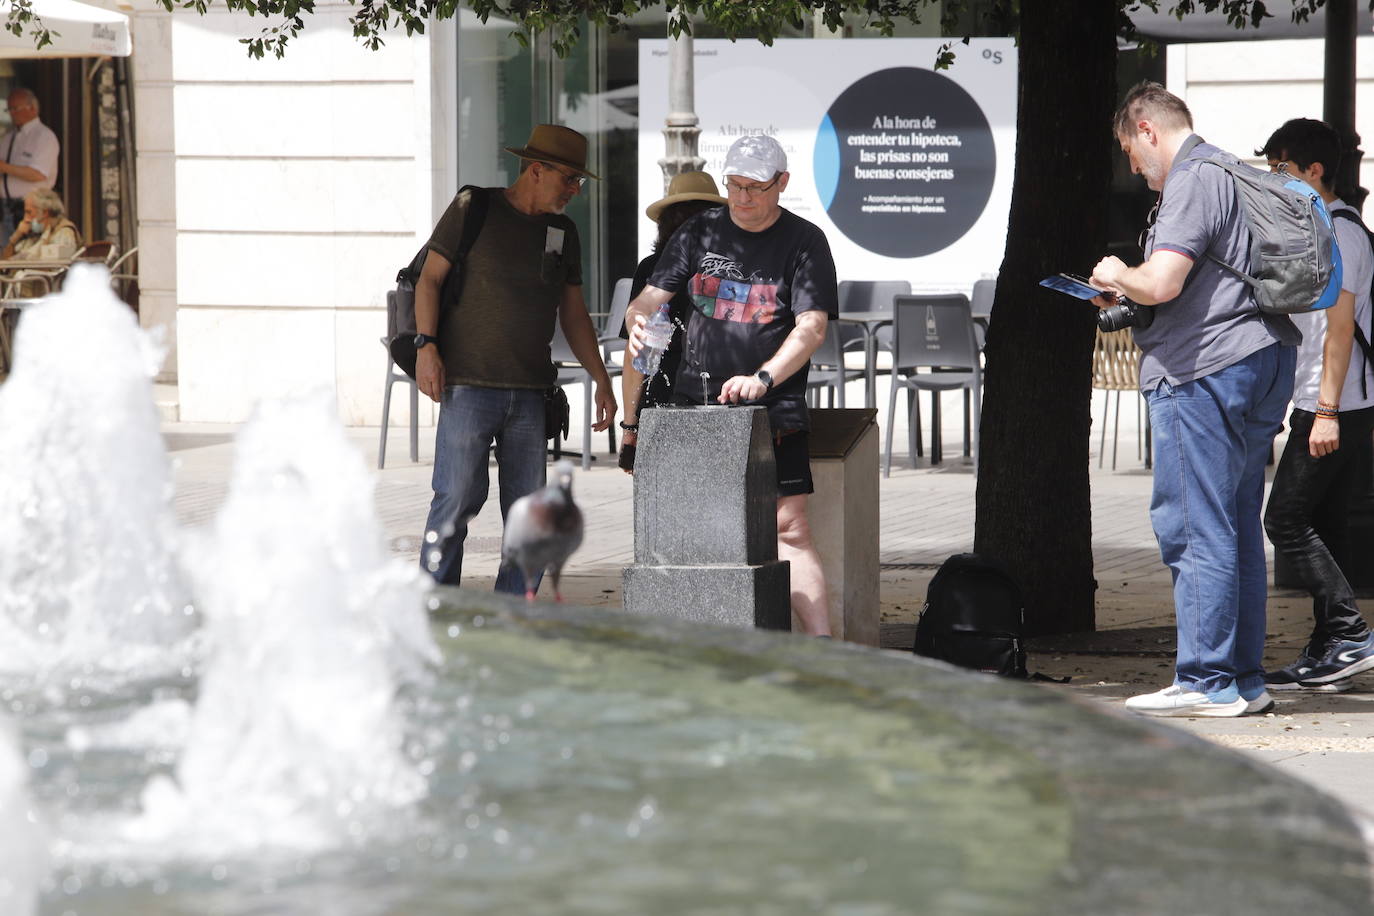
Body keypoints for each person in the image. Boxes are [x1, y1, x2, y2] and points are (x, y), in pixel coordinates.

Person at [1090, 81, 1300, 717]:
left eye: (1131, 151)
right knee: (1233, 526)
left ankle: (1206, 680)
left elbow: (1162, 280)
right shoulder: (1234, 170)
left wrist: (1114, 275)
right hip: (1261, 357)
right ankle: (1243, 680)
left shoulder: (1189, 178)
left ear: (1148, 130)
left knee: (1192, 526)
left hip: (1201, 369)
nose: (1133, 167)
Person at [625, 134, 838, 637]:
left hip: (774, 409)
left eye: (755, 188)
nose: (742, 198)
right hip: (693, 405)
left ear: (781, 183)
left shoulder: (805, 242)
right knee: (694, 531)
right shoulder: (698, 232)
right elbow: (650, 297)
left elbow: (812, 328)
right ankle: (696, 638)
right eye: (735, 186)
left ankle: (825, 646)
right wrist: (638, 319)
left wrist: (763, 377)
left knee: (789, 528)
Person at [414, 124, 616, 596]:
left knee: (532, 517)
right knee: (455, 502)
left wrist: (602, 378)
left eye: (579, 183)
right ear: (536, 169)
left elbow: (574, 312)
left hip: (530, 395)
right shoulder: (474, 206)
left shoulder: (563, 231)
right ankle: (433, 609)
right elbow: (429, 280)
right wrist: (427, 346)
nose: (573, 190)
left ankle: (513, 614)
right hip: (466, 386)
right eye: (569, 178)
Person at [1256, 118, 1374, 691]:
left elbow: (1340, 331)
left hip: (1335, 407)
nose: (1275, 182)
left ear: (1313, 171)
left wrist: (1324, 411)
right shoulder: (1321, 227)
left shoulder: (1343, 233)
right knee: (1324, 525)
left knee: (1283, 519)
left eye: (1281, 170)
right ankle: (1331, 648)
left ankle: (1349, 632)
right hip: (1332, 404)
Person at [618, 171, 727, 471]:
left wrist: (630, 427)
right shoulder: (733, 269)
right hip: (725, 402)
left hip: (662, 404)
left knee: (662, 509)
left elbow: (638, 357)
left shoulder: (653, 269)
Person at [0, 89, 59, 241]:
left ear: (31, 108)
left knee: (30, 253)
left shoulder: (44, 137)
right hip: (6, 207)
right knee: (7, 253)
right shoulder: (9, 137)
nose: (12, 113)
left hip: (33, 208)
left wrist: (4, 167)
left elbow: (37, 174)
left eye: (15, 108)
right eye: (9, 109)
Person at [0, 188, 80, 298]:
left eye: (29, 212)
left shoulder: (63, 232)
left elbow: (57, 270)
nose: (25, 218)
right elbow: (5, 263)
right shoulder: (33, 235)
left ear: (45, 212)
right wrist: (16, 236)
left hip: (48, 297)